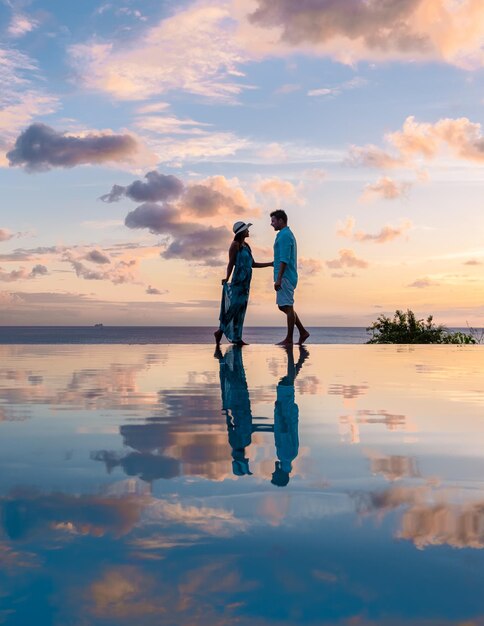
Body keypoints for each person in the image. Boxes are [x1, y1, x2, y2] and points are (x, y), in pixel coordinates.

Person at [215, 221, 273, 346]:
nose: (249, 231)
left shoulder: (246, 246)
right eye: (247, 229)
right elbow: (231, 263)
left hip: (246, 283)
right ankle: (220, 330)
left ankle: (237, 338)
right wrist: (227, 277)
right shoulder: (235, 245)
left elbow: (253, 264)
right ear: (242, 232)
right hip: (238, 281)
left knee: (241, 310)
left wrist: (270, 264)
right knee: (234, 307)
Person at [271, 345, 309, 487]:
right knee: (285, 384)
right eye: (274, 475)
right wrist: (280, 411)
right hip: (285, 413)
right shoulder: (285, 455)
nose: (272, 473)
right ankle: (292, 354)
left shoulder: (289, 456)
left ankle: (299, 360)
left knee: (288, 384)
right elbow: (285, 432)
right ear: (280, 475)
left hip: (288, 414)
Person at [270, 209, 309, 346]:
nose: (271, 224)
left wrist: (279, 278)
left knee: (287, 305)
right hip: (283, 275)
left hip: (285, 276)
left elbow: (285, 259)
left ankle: (289, 339)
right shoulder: (283, 235)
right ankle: (303, 332)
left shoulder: (285, 235)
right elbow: (280, 258)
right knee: (284, 307)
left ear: (281, 220)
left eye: (273, 221)